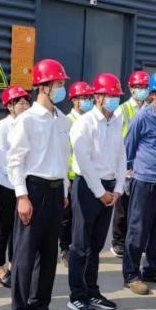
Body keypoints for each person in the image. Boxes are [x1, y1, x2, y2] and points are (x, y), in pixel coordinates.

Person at [7, 58, 71, 310]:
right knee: (25, 256)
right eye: (59, 83)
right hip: (34, 190)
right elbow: (15, 161)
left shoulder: (62, 120)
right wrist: (22, 196)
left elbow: (63, 158)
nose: (62, 88)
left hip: (56, 192)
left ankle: (40, 308)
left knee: (48, 255)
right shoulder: (27, 120)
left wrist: (64, 191)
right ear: (43, 86)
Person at [67, 73, 127, 310]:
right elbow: (84, 162)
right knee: (80, 245)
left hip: (110, 188)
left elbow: (121, 155)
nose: (114, 100)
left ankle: (92, 290)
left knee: (96, 245)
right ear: (98, 97)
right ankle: (77, 296)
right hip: (88, 187)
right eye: (110, 96)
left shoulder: (116, 121)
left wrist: (119, 187)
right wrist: (101, 192)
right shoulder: (85, 123)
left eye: (116, 96)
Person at [122, 71, 156, 295]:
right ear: (153, 94)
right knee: (138, 229)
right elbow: (128, 147)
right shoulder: (141, 118)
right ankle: (131, 274)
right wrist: (128, 175)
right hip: (144, 180)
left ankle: (152, 269)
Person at [0, 85, 31, 288]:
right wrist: (19, 178)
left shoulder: (30, 124)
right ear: (9, 106)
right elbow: (4, 159)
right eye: (20, 103)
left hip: (24, 185)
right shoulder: (1, 128)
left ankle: (14, 265)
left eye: (26, 102)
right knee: (2, 227)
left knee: (19, 227)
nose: (25, 106)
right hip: (5, 184)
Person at [110, 70, 150, 257]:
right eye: (138, 87)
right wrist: (121, 166)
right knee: (123, 207)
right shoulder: (122, 110)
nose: (142, 90)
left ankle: (134, 241)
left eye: (145, 87)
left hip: (143, 165)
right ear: (131, 88)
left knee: (139, 208)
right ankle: (118, 241)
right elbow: (116, 138)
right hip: (126, 164)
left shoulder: (149, 109)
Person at [59, 81, 94, 268]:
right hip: (71, 177)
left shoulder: (91, 120)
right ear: (73, 100)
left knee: (83, 216)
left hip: (88, 176)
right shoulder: (67, 121)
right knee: (68, 217)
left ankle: (80, 247)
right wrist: (66, 179)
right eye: (83, 98)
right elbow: (64, 152)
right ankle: (65, 249)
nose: (87, 101)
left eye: (89, 98)